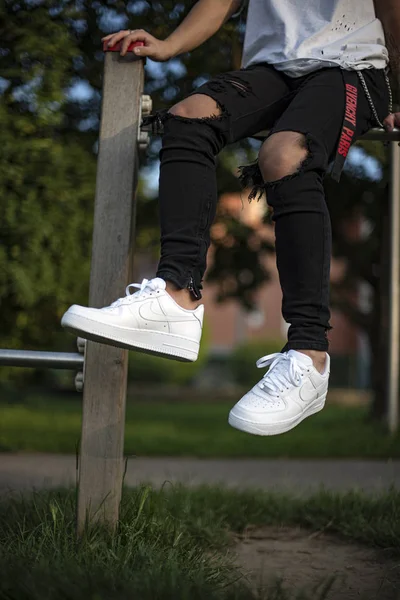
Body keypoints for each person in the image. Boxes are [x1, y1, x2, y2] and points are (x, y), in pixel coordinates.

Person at [62, 0, 400, 436]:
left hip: (349, 67)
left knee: (282, 156)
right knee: (187, 118)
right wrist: (168, 45)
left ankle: (309, 353)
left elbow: (393, 13)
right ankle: (177, 298)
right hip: (273, 69)